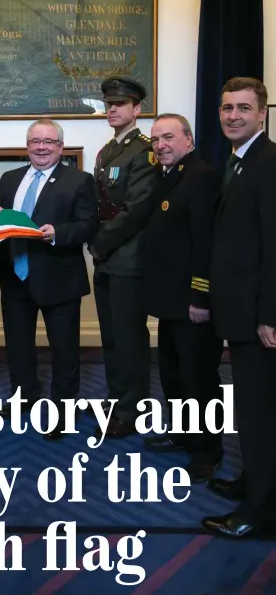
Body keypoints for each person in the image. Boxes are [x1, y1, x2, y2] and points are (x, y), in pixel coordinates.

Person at [202, 77, 276, 539]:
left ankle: (262, 512)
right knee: (255, 410)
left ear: (262, 114)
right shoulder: (239, 161)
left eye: (243, 108)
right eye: (227, 108)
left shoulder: (269, 164)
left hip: (258, 318)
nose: (233, 116)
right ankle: (255, 482)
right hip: (241, 313)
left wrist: (271, 313)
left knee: (258, 414)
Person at [0, 119, 98, 437]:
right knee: (18, 344)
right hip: (14, 274)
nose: (41, 147)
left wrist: (57, 233)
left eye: (49, 142)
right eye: (35, 141)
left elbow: (87, 224)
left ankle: (62, 410)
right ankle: (24, 393)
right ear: (27, 146)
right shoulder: (9, 179)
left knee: (64, 349)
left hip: (59, 277)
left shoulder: (79, 180)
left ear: (60, 147)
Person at [141, 113, 223, 482]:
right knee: (174, 375)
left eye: (169, 137)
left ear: (188, 139)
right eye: (156, 139)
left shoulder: (201, 176)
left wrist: (201, 298)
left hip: (191, 303)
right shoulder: (172, 176)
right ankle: (185, 434)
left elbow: (207, 243)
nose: (161, 145)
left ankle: (208, 451)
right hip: (170, 302)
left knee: (199, 380)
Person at [90, 76, 158, 437]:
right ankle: (118, 397)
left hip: (128, 257)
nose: (113, 109)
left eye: (120, 103)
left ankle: (132, 409)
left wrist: (100, 243)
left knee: (129, 337)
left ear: (137, 109)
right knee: (112, 334)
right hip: (106, 257)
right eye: (109, 104)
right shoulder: (107, 151)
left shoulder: (143, 150)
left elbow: (136, 210)